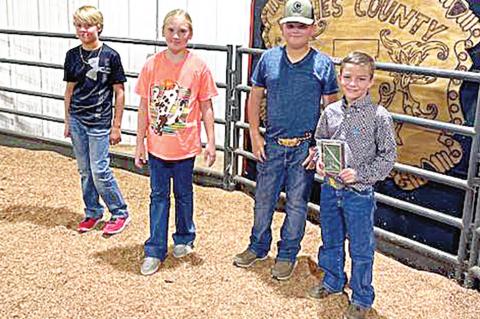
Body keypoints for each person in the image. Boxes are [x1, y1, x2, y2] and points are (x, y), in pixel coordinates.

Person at [233, 0, 339, 281]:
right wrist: (254, 134)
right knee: (263, 199)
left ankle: (288, 253)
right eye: (291, 24)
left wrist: (319, 147)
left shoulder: (323, 65)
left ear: (313, 29)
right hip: (273, 144)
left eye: (302, 25)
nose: (296, 30)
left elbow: (332, 111)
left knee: (297, 204)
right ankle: (257, 246)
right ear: (282, 27)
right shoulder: (268, 59)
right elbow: (255, 97)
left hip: (304, 147)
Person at [308, 51, 397, 319]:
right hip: (330, 189)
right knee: (330, 238)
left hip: (359, 193)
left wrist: (359, 174)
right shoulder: (331, 111)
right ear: (340, 77)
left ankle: (361, 296)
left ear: (371, 81)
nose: (353, 83)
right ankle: (333, 280)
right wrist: (320, 160)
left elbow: (388, 157)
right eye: (348, 77)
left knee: (360, 246)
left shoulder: (379, 116)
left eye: (361, 78)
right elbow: (320, 142)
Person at [134, 9, 218, 276]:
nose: (176, 35)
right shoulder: (151, 65)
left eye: (182, 31)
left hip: (185, 148)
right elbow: (144, 107)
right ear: (163, 32)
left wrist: (211, 142)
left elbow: (206, 106)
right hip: (157, 148)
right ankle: (155, 249)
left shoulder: (199, 67)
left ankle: (183, 238)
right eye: (171, 30)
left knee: (184, 195)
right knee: (158, 197)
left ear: (190, 34)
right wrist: (139, 143)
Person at [64, 5, 130, 235]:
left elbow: (119, 92)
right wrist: (67, 121)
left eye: (88, 25)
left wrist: (117, 126)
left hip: (100, 121)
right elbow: (69, 90)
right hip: (78, 120)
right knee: (84, 170)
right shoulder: (72, 56)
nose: (83, 30)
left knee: (100, 170)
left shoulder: (111, 56)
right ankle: (92, 211)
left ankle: (120, 212)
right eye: (79, 26)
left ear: (99, 27)